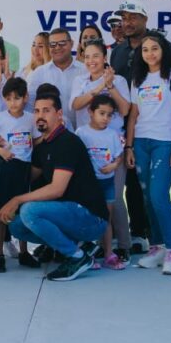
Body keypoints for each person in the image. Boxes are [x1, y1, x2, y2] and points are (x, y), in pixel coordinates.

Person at [0, 93, 109, 282]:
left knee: (29, 211)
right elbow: (29, 178)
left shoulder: (68, 142)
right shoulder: (43, 146)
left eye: (46, 110)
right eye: (37, 111)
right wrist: (5, 150)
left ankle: (77, 257)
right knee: (16, 226)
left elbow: (57, 189)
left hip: (91, 217)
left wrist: (17, 200)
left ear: (59, 114)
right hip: (67, 214)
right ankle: (79, 246)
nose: (40, 115)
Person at [125, 31, 171, 275]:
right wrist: (129, 146)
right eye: (145, 49)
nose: (150, 53)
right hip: (141, 142)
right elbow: (133, 116)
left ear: (164, 51)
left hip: (165, 142)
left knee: (160, 195)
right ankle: (157, 247)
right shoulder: (137, 79)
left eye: (154, 48)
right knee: (148, 197)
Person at [69, 39, 131, 262]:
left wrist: (110, 85)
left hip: (112, 149)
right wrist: (98, 87)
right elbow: (75, 105)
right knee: (89, 199)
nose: (91, 61)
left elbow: (124, 109)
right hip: (87, 150)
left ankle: (123, 245)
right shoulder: (80, 80)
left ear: (105, 58)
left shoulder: (119, 80)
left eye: (96, 56)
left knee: (115, 199)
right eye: (86, 56)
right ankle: (94, 246)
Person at [108, 0, 151, 253]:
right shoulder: (118, 51)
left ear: (145, 19)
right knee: (121, 182)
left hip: (150, 128)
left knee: (142, 184)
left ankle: (144, 233)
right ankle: (122, 233)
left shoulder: (158, 46)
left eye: (133, 17)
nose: (128, 22)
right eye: (124, 18)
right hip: (122, 127)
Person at [0, 77, 38, 271]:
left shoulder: (31, 118)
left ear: (25, 98)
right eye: (8, 98)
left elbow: (37, 140)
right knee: (1, 210)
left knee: (22, 210)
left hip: (24, 169)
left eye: (17, 98)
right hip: (5, 167)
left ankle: (24, 252)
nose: (13, 102)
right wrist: (0, 151)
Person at [76, 95, 127, 270]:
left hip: (107, 183)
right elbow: (76, 157)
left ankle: (108, 254)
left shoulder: (112, 134)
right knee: (87, 218)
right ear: (91, 112)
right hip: (89, 185)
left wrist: (113, 165)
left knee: (106, 218)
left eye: (109, 115)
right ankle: (86, 254)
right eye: (101, 113)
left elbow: (119, 155)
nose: (105, 118)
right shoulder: (82, 133)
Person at [26, 28, 88, 129]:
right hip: (49, 136)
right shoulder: (38, 73)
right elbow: (29, 108)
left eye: (62, 43)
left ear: (71, 43)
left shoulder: (85, 71)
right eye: (53, 44)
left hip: (83, 135)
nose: (57, 47)